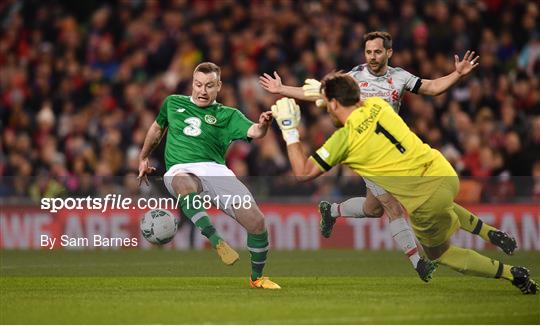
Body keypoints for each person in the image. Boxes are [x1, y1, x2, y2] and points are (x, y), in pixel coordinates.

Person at [260, 31, 516, 276]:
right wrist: (283, 89)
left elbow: (431, 87)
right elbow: (320, 92)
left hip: (392, 151)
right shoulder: (355, 77)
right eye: (368, 52)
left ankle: (333, 210)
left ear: (389, 53)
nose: (372, 56)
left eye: (377, 52)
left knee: (374, 209)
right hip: (370, 154)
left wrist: (456, 75)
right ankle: (419, 264)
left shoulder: (400, 77)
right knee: (394, 206)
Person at [270, 72, 538, 294]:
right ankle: (488, 232)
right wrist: (326, 93)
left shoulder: (343, 141)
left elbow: (303, 172)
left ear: (334, 104)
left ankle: (512, 274)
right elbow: (354, 98)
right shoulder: (378, 104)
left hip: (424, 201)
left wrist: (289, 131)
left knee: (440, 254)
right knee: (436, 203)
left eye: (328, 104)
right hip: (444, 173)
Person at [138, 62, 280, 289]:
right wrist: (144, 157)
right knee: (184, 182)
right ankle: (217, 241)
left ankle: (257, 278)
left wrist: (263, 124)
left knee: (257, 222)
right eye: (198, 85)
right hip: (180, 168)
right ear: (192, 84)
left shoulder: (227, 115)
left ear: (219, 86)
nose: (203, 91)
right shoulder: (172, 103)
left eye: (209, 86)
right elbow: (157, 128)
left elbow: (254, 131)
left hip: (215, 170)